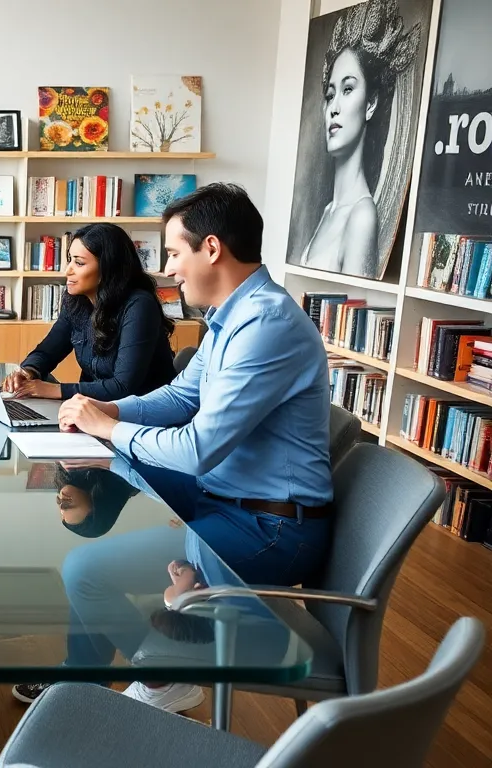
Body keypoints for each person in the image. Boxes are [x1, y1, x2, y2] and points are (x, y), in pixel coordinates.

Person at [54, 183, 334, 712]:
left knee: (122, 472)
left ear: (211, 249)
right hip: (227, 509)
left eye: (174, 253)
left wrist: (111, 430)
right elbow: (184, 395)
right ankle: (164, 672)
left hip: (270, 529)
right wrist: (112, 413)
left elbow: (198, 448)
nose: (168, 268)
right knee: (82, 570)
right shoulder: (230, 318)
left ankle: (166, 667)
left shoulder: (267, 324)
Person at [298, 0, 419, 278]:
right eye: (330, 95)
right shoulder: (330, 210)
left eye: (348, 89)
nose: (334, 107)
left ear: (371, 104)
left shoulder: (362, 216)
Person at [2, 223, 176, 400]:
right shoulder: (75, 302)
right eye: (70, 260)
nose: (67, 270)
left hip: (140, 414)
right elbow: (46, 352)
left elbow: (123, 386)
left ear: (108, 268)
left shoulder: (139, 306)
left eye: (79, 263)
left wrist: (52, 390)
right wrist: (28, 372)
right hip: (94, 409)